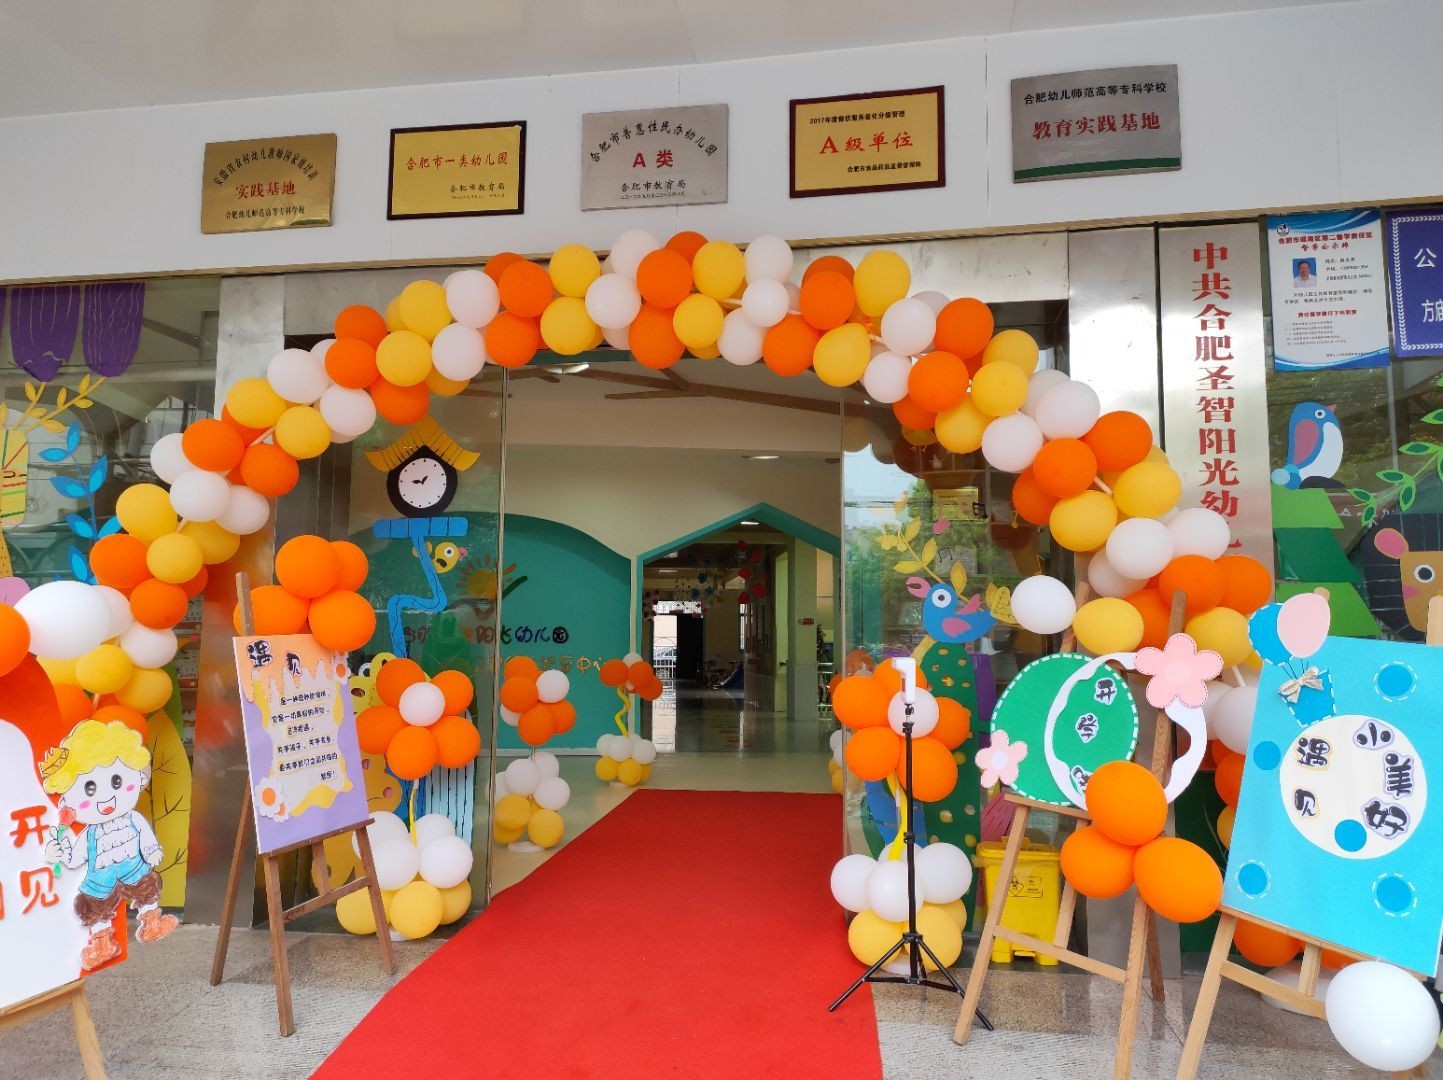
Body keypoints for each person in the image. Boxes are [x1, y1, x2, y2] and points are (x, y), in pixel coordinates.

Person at [42, 719, 178, 969]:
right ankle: (103, 944)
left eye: (117, 782)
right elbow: (74, 860)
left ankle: (152, 923)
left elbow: (145, 837)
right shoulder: (89, 834)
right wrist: (59, 850)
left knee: (147, 887)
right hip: (99, 882)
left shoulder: (133, 818)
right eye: (89, 788)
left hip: (134, 869)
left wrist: (151, 851)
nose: (106, 798)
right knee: (93, 906)